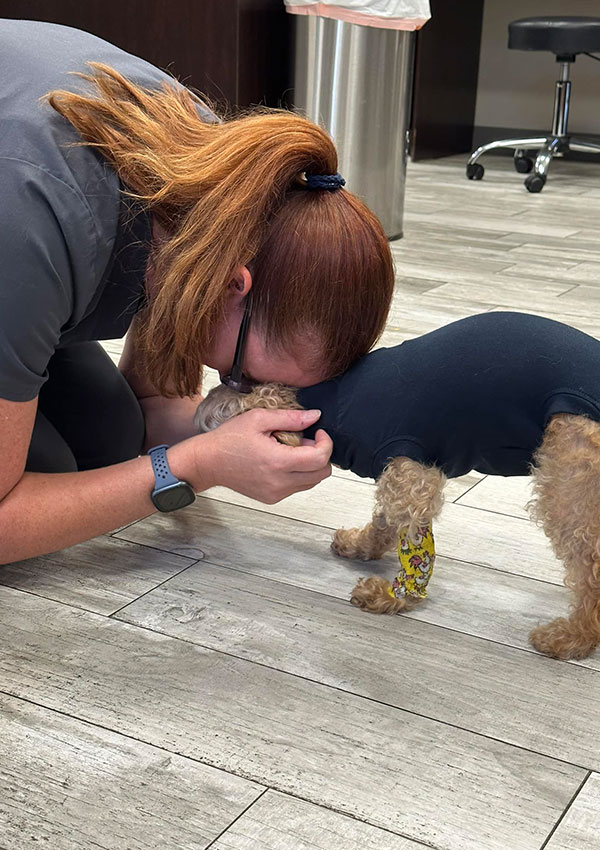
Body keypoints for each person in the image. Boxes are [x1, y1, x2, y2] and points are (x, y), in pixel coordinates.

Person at [0, 19, 394, 564]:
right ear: (235, 284)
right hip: (17, 222)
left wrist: (231, 432)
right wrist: (197, 465)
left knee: (112, 435)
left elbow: (151, 405)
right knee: (46, 471)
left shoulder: (221, 180)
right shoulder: (32, 222)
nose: (246, 388)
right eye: (244, 377)